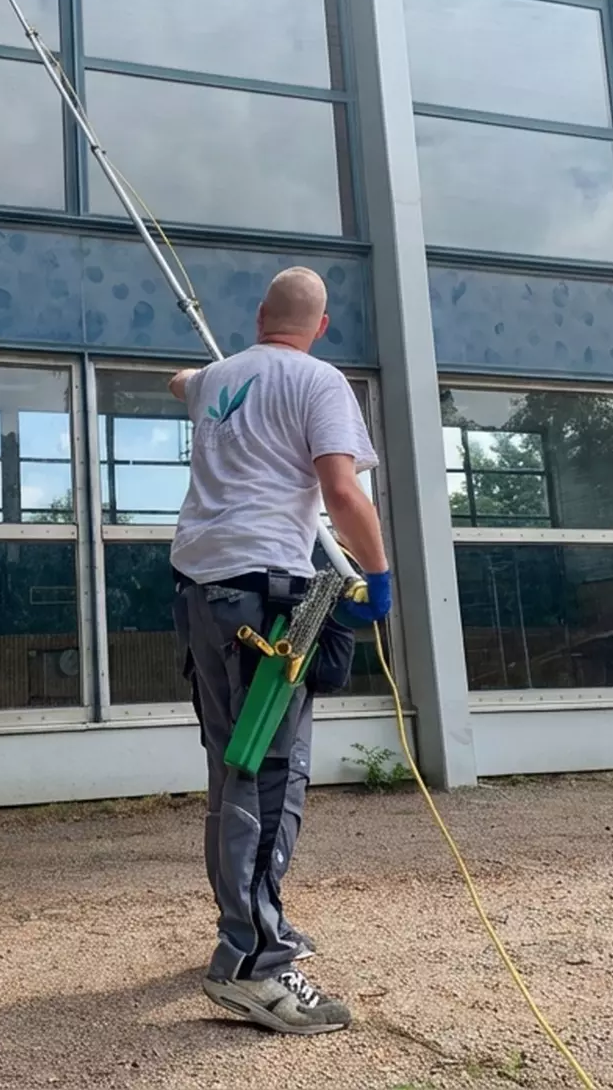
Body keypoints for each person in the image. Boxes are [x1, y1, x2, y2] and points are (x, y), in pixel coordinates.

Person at [168, 266, 394, 1036]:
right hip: (265, 596)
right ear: (320, 326)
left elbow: (181, 380)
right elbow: (340, 489)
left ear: (260, 314)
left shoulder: (213, 382)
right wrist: (379, 574)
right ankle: (252, 964)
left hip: (203, 594)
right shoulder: (319, 380)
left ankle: (255, 925)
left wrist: (214, 371)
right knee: (267, 773)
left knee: (233, 764)